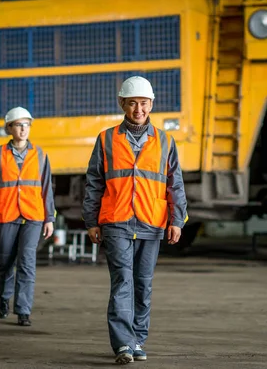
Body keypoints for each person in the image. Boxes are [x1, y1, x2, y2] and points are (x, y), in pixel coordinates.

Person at [82, 76, 188, 364]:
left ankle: (138, 339)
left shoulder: (165, 140)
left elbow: (174, 184)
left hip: (152, 220)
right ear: (122, 104)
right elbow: (94, 182)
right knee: (122, 282)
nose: (138, 109)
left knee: (143, 283)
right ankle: (123, 345)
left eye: (143, 103)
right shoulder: (106, 139)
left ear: (151, 104)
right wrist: (91, 221)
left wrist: (176, 220)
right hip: (116, 220)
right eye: (132, 103)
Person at [0, 106, 55, 327]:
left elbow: (46, 188)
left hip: (33, 215)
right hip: (6, 215)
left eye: (27, 125)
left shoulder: (40, 155)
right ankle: (4, 297)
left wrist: (49, 217)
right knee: (4, 262)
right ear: (9, 128)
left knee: (27, 262)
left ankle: (23, 310)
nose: (23, 129)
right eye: (19, 125)